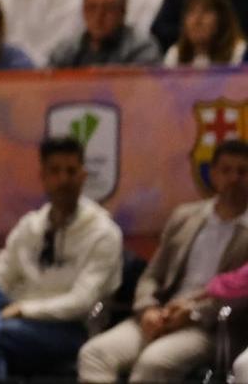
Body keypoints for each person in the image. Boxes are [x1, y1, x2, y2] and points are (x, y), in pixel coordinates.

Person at [0, 137, 124, 381]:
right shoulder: (30, 225)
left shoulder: (103, 232)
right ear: (42, 176)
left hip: (73, 330)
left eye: (71, 171)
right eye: (55, 171)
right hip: (20, 321)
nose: (63, 179)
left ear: (83, 176)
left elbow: (82, 302)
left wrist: (24, 309)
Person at [76, 138, 248, 382]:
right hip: (160, 314)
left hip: (208, 327)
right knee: (94, 354)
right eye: (227, 170)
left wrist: (194, 313)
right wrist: (148, 309)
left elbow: (240, 295)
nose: (234, 178)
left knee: (153, 363)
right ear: (213, 174)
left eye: (242, 171)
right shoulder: (185, 217)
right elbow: (152, 275)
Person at [48, 0, 164, 68]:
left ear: (122, 11)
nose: (99, 16)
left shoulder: (141, 48)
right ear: (83, 10)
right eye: (92, 7)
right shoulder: (67, 49)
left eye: (108, 8)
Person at [163, 0, 247, 66]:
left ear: (222, 20)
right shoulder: (175, 54)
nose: (197, 20)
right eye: (191, 13)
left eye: (206, 12)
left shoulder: (239, 52)